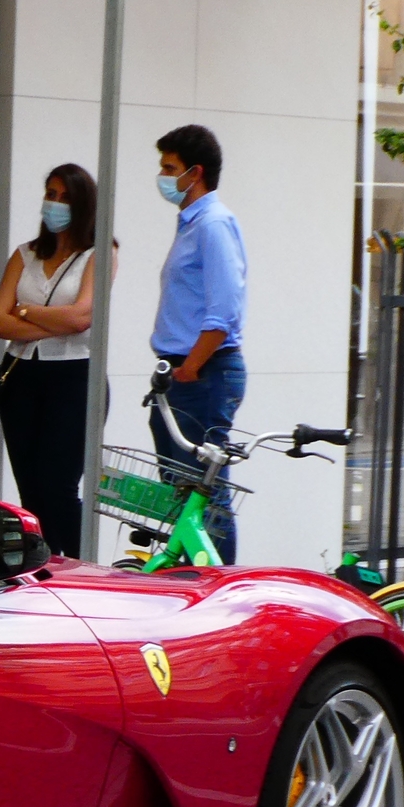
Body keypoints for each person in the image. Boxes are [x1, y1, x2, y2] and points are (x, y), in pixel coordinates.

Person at [0, 164, 104, 555]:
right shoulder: (26, 254)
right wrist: (54, 321)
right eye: (50, 194)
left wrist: (24, 310)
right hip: (21, 376)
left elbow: (83, 317)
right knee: (31, 488)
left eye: (65, 196)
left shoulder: (98, 253)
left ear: (83, 203)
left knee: (60, 487)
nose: (54, 203)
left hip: (74, 377)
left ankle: (77, 566)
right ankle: (42, 567)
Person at [146, 123, 247, 562]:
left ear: (196, 173)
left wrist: (189, 368)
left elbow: (223, 313)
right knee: (184, 497)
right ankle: (192, 581)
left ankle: (217, 592)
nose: (164, 176)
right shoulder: (191, 225)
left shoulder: (213, 224)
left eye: (170, 168)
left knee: (205, 497)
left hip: (201, 373)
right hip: (182, 372)